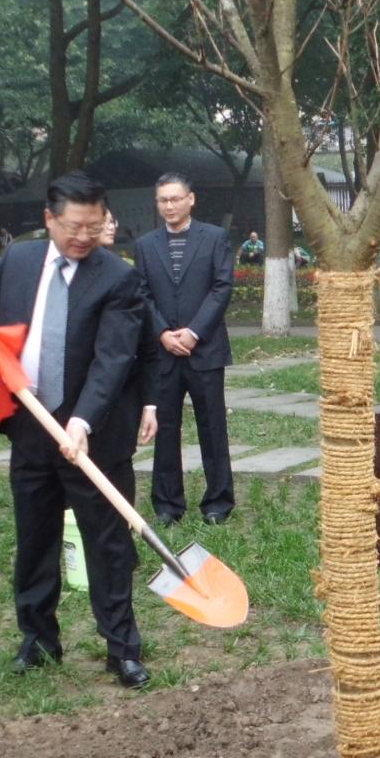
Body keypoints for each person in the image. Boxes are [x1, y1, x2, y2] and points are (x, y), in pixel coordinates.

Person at [0, 171, 152, 686]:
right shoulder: (18, 261)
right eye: (73, 227)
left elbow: (112, 361)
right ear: (49, 219)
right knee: (34, 538)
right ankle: (38, 640)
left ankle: (122, 646)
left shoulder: (118, 278)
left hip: (94, 433)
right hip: (29, 423)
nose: (83, 237)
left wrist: (81, 423)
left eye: (94, 225)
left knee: (107, 542)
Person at [134, 173, 236, 525]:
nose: (169, 206)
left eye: (176, 199)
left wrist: (193, 332)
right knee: (164, 428)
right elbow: (142, 294)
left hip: (204, 350)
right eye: (163, 200)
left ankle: (218, 502)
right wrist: (162, 332)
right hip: (162, 353)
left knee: (212, 427)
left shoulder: (215, 238)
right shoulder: (146, 245)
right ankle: (167, 505)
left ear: (190, 199)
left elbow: (222, 288)